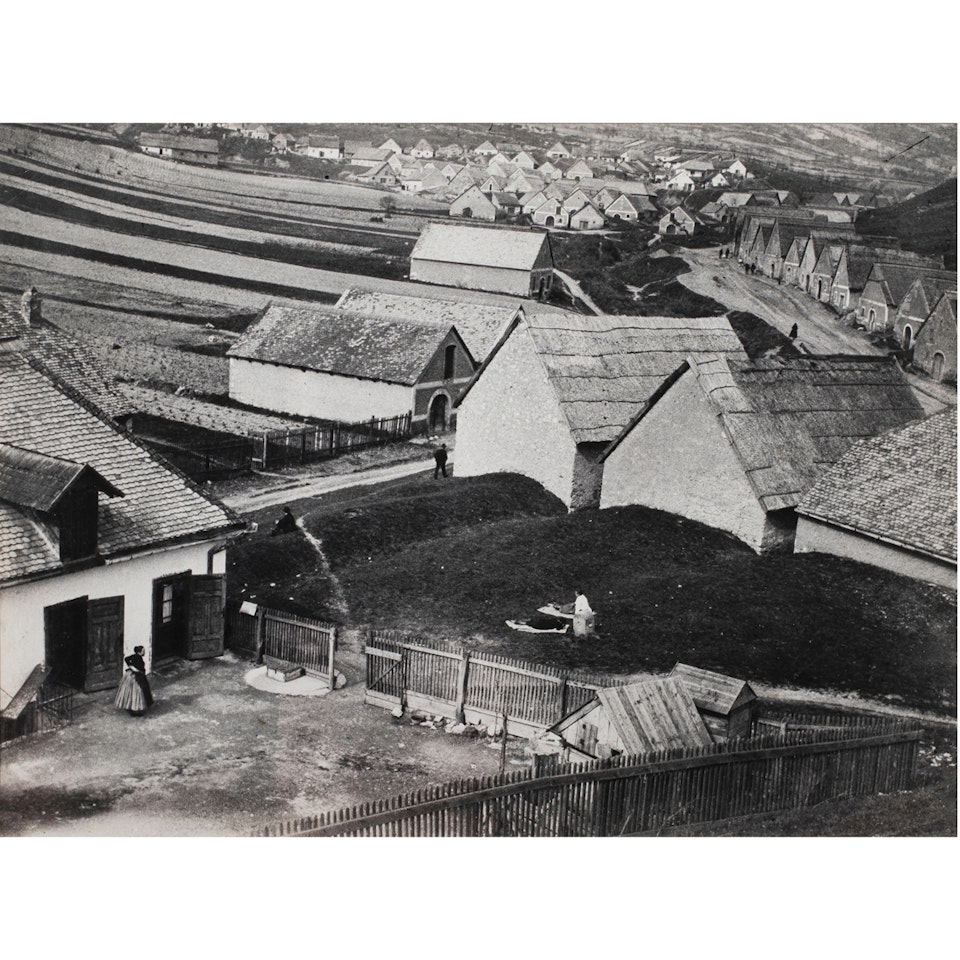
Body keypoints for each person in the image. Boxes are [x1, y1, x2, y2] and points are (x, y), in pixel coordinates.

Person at [115, 646, 154, 717]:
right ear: (139, 652)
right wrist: (135, 669)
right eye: (143, 651)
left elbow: (126, 659)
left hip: (130, 674)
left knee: (129, 692)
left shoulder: (134, 656)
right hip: (136, 677)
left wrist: (130, 666)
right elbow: (140, 668)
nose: (144, 652)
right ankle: (135, 708)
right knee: (137, 692)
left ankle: (129, 706)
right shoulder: (138, 658)